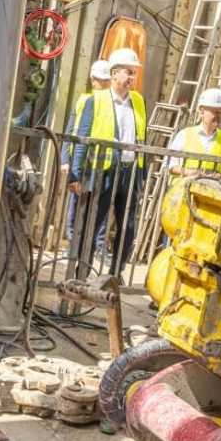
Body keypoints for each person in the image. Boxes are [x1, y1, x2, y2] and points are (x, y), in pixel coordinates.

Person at [69, 47, 147, 275]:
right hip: (103, 171)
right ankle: (81, 272)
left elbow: (143, 137)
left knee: (128, 227)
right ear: (114, 74)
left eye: (134, 73)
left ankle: (115, 273)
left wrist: (141, 175)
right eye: (128, 72)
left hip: (129, 171)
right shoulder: (97, 100)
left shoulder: (139, 102)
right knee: (93, 224)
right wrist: (75, 173)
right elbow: (82, 136)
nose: (132, 77)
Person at [64, 59, 111, 239]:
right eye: (100, 80)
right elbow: (71, 129)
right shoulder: (84, 100)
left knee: (97, 203)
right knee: (77, 199)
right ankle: (71, 237)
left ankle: (90, 241)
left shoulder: (109, 104)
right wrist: (65, 160)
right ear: (93, 79)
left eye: (106, 81)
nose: (103, 84)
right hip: (80, 158)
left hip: (99, 160)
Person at [167, 87, 221, 180]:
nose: (219, 116)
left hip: (210, 193)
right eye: (215, 112)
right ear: (202, 111)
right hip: (183, 192)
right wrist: (186, 172)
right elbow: (170, 164)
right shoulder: (185, 135)